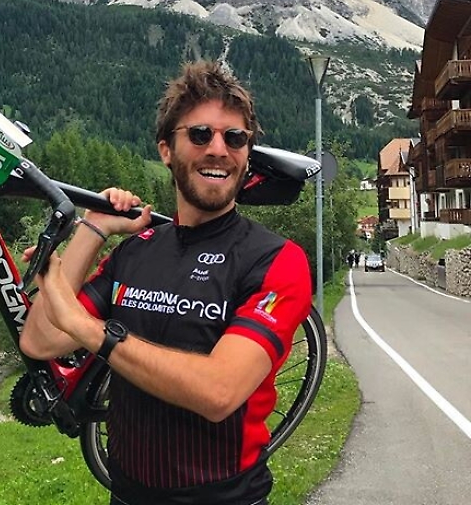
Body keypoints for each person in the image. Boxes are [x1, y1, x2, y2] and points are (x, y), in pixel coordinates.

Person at [20, 60, 312, 505]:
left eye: (235, 138)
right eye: (200, 134)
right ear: (166, 150)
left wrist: (87, 329)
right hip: (126, 494)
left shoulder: (276, 260)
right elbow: (40, 341)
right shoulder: (136, 251)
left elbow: (219, 392)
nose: (219, 149)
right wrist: (94, 228)